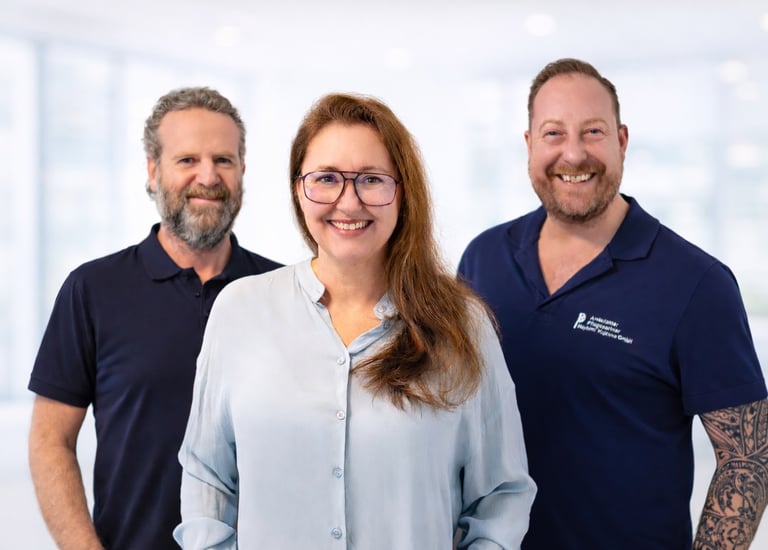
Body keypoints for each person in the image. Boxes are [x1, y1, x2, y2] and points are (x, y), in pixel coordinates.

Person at [173, 92, 537, 549]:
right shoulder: (239, 311)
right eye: (326, 178)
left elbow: (500, 501)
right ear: (297, 190)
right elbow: (208, 477)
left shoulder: (463, 325)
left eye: (371, 179)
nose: (348, 202)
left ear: (402, 192)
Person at [458, 57, 768, 549]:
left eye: (593, 132)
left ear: (622, 141)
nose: (574, 154)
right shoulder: (483, 258)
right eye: (554, 133)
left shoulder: (696, 283)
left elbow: (747, 458)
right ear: (530, 144)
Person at [27, 86, 281, 549]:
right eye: (187, 160)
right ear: (152, 171)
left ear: (243, 171)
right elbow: (50, 442)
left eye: (223, 160)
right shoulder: (92, 290)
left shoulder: (283, 293)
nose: (208, 176)